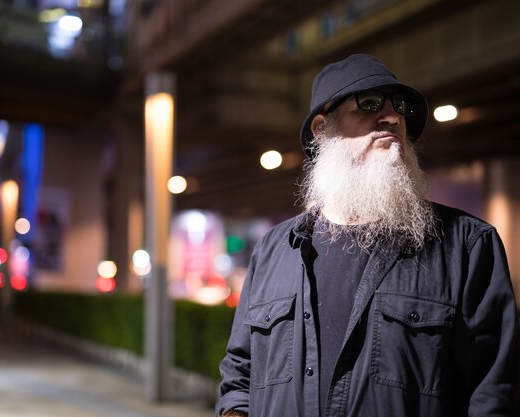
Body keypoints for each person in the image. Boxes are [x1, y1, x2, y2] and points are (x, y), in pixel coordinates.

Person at [216, 54, 520, 417]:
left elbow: (495, 394)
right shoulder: (273, 250)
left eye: (401, 107)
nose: (392, 116)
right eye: (369, 103)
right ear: (321, 129)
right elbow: (239, 376)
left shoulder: (468, 246)